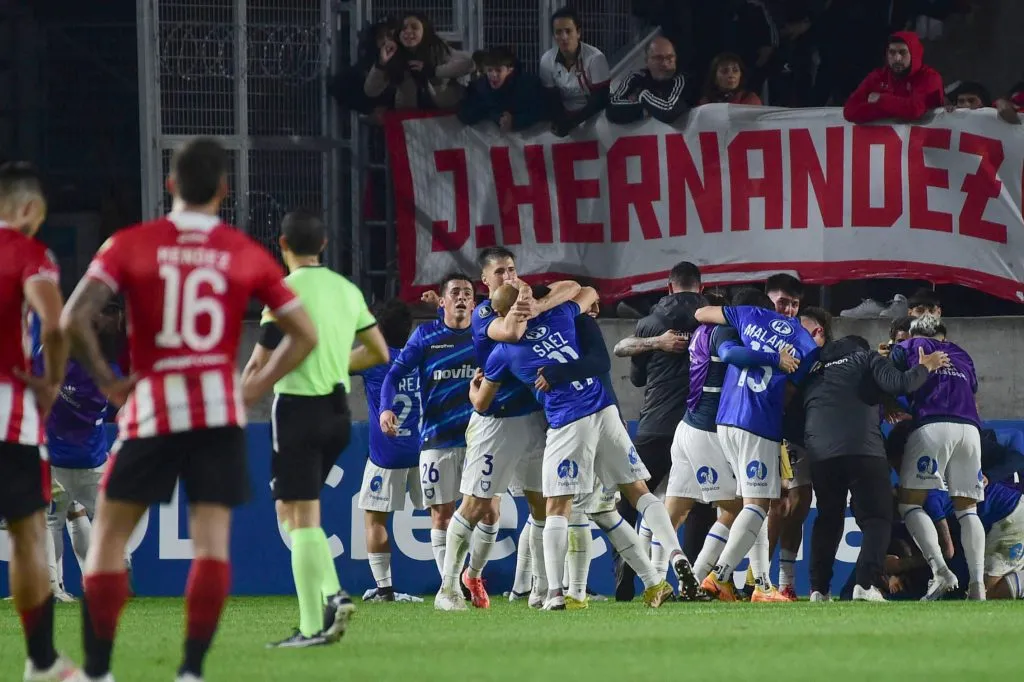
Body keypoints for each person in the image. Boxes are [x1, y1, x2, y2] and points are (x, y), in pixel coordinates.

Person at [64, 137, 319, 682]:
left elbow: (73, 318)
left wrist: (109, 380)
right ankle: (190, 672)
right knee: (211, 544)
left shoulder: (129, 244)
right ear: (225, 191)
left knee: (107, 537)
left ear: (170, 185)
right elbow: (305, 333)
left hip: (153, 406)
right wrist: (253, 390)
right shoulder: (244, 251)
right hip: (216, 413)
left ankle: (99, 671)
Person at [472, 283, 697, 610]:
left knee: (556, 509)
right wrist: (544, 303)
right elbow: (587, 292)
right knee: (638, 492)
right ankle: (667, 564)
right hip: (606, 412)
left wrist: (473, 389)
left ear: (499, 316)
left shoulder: (501, 352)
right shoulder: (561, 316)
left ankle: (555, 594)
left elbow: (481, 404)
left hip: (568, 421)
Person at [243, 210, 388, 648]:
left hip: (297, 412)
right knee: (292, 512)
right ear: (323, 245)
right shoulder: (347, 289)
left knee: (300, 517)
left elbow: (258, 362)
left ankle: (314, 621)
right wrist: (334, 362)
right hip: (337, 412)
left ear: (282, 244)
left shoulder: (283, 292)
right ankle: (330, 595)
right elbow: (378, 350)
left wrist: (234, 398)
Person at [434, 249, 580, 611]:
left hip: (535, 417)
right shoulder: (485, 313)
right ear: (485, 281)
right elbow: (512, 332)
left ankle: (542, 588)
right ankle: (448, 590)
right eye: (499, 272)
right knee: (475, 505)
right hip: (496, 423)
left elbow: (574, 287)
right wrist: (527, 304)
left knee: (542, 503)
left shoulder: (526, 299)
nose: (508, 277)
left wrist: (538, 303)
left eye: (512, 269)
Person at [532, 289, 679, 607]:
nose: (596, 308)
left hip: (582, 422)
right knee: (607, 508)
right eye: (593, 303)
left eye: (597, 303)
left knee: (573, 509)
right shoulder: (566, 326)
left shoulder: (574, 325)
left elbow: (598, 365)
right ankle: (656, 577)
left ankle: (567, 591)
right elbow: (600, 369)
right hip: (606, 418)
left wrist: (555, 375)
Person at [695, 298, 827, 602]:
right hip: (758, 424)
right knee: (757, 506)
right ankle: (719, 576)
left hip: (725, 419)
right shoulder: (806, 345)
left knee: (748, 504)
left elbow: (701, 313)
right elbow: (789, 394)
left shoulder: (750, 314)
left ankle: (760, 585)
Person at [0, 162, 77, 681]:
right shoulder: (30, 255)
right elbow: (53, 323)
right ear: (28, 208)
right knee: (28, 535)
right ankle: (43, 662)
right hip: (9, 414)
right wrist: (50, 381)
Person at [801, 334, 949, 602]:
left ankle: (818, 590)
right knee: (878, 519)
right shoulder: (866, 358)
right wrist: (925, 366)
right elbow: (900, 383)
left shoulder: (815, 369)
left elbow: (799, 411)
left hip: (820, 453)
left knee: (828, 519)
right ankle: (865, 584)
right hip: (862, 448)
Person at [667, 290, 799, 588]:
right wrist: (775, 357)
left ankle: (663, 578)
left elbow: (702, 315)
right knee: (747, 508)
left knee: (678, 511)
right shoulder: (730, 330)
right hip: (730, 427)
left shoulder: (710, 328)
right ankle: (717, 578)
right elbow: (729, 354)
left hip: (707, 424)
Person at [610, 262, 703, 600]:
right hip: (699, 427)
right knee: (700, 503)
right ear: (701, 288)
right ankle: (694, 576)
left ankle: (625, 571)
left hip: (656, 425)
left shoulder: (650, 323)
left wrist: (658, 345)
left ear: (668, 287)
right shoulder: (712, 317)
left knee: (632, 499)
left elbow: (637, 378)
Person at [380, 272, 476, 587]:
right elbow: (394, 375)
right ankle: (450, 586)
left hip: (480, 439)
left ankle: (471, 578)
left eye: (468, 293)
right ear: (443, 301)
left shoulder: (485, 332)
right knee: (441, 515)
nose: (462, 297)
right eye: (456, 292)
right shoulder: (425, 336)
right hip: (437, 438)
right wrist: (385, 408)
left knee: (484, 512)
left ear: (474, 302)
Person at [32, 303, 125, 604]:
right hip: (91, 462)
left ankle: (51, 587)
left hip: (55, 460)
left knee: (51, 522)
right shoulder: (106, 373)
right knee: (104, 521)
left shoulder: (48, 357)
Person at [890, 314, 987, 600]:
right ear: (941, 335)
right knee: (968, 509)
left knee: (909, 503)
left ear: (911, 333)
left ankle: (940, 571)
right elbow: (973, 393)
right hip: (970, 430)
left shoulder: (907, 347)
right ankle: (977, 585)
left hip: (933, 425)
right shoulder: (961, 354)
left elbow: (891, 381)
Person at [354, 300, 421, 602]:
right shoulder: (422, 356)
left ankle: (384, 589)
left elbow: (330, 364)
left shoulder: (372, 359)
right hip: (424, 450)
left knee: (375, 520)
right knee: (442, 517)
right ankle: (453, 582)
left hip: (387, 454)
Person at [764, 273, 809, 600]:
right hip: (758, 428)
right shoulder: (752, 332)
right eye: (783, 303)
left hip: (794, 433)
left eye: (794, 304)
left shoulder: (803, 341)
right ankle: (758, 580)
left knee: (798, 504)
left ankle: (786, 582)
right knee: (768, 507)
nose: (789, 310)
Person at [364, 12, 474, 111]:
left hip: (444, 117)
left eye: (414, 27)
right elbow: (371, 91)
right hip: (411, 121)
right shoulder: (394, 54)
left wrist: (433, 71)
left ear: (424, 31)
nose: (408, 31)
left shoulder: (438, 49)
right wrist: (381, 64)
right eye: (404, 28)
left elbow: (469, 63)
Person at [843, 31, 944, 124]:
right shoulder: (878, 76)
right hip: (888, 142)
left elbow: (915, 109)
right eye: (892, 52)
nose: (897, 58)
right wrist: (894, 108)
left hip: (928, 142)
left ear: (914, 54)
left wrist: (881, 100)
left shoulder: (929, 77)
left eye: (902, 52)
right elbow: (849, 111)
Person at [540, 7, 610, 137]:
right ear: (554, 36)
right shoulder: (546, 60)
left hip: (594, 119)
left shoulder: (595, 58)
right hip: (565, 117)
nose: (564, 37)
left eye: (568, 31)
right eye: (558, 32)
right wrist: (561, 121)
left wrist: (572, 123)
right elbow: (550, 98)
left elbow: (601, 99)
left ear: (578, 33)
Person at [458, 47, 549, 132]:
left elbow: (541, 109)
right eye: (490, 70)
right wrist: (495, 115)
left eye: (498, 70)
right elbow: (466, 114)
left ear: (509, 70)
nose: (493, 75)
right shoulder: (481, 87)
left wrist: (515, 121)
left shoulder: (527, 85)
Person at [606, 36, 688, 125]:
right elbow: (612, 106)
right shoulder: (636, 77)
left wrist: (643, 95)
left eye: (670, 58)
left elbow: (669, 111)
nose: (665, 64)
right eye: (658, 58)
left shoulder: (680, 80)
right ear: (646, 61)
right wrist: (645, 111)